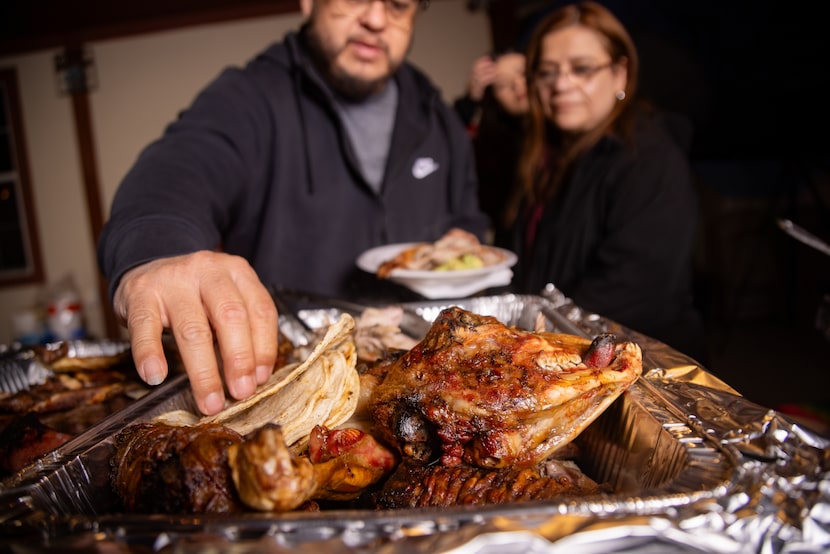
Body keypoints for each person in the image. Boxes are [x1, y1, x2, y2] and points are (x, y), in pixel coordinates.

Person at [97, 0, 489, 415]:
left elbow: (465, 216)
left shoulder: (436, 115)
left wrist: (465, 239)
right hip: (293, 391)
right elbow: (180, 168)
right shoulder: (249, 97)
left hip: (425, 391)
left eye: (398, 5)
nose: (376, 19)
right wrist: (158, 250)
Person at [504, 1, 708, 363]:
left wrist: (523, 343)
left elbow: (632, 291)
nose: (562, 84)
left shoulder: (649, 159)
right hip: (556, 351)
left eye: (582, 69)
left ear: (620, 74)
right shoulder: (548, 155)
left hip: (641, 366)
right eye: (547, 72)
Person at [453, 50, 528, 246]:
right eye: (502, 84)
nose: (518, 86)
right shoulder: (496, 147)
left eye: (523, 73)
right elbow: (447, 148)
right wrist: (470, 100)